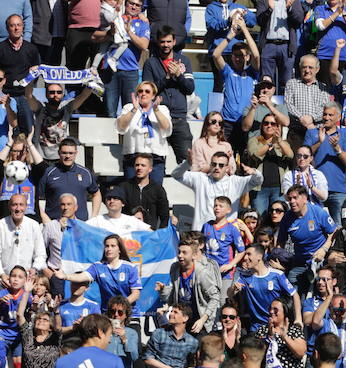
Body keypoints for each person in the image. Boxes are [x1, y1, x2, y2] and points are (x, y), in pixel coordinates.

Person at [142, 26, 195, 164]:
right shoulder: (150, 63)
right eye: (162, 42)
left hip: (179, 119)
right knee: (154, 163)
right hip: (156, 119)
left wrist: (178, 75)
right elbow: (147, 91)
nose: (166, 45)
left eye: (168, 41)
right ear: (158, 42)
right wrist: (166, 78)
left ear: (174, 41)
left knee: (187, 163)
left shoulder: (184, 61)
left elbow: (190, 88)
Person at [171, 151, 262, 230]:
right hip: (202, 232)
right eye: (214, 164)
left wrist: (254, 172)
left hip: (226, 235)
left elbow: (258, 181)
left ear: (227, 168)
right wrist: (187, 163)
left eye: (221, 165)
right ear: (210, 165)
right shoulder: (201, 178)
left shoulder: (235, 181)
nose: (217, 167)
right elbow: (176, 175)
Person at [157, 237, 223, 335]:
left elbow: (215, 297)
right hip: (182, 321)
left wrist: (203, 319)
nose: (180, 255)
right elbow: (175, 294)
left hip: (199, 321)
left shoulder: (202, 272)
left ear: (194, 255)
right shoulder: (175, 268)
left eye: (184, 252)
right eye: (179, 252)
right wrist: (163, 291)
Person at [58, 234, 141, 311]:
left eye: (113, 246)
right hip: (108, 313)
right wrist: (65, 276)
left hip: (130, 313)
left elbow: (136, 294)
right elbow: (82, 277)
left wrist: (120, 307)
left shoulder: (130, 268)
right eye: (107, 246)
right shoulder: (98, 267)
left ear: (119, 249)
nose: (109, 249)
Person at [303, 102, 346, 224]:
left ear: (338, 117)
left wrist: (337, 148)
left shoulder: (345, 134)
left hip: (337, 189)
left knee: (339, 226)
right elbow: (303, 157)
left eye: (330, 115)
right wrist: (320, 142)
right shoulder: (312, 132)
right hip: (315, 188)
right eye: (325, 114)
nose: (326, 118)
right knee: (313, 225)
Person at [37, 138, 101, 221]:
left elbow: (96, 194)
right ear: (59, 153)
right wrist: (46, 220)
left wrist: (94, 217)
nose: (67, 156)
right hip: (55, 224)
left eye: (71, 153)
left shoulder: (85, 172)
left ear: (76, 153)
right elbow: (35, 197)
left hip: (80, 225)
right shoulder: (49, 172)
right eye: (64, 153)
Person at [246, 114, 293, 215]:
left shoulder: (282, 143)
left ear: (277, 127)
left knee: (279, 220)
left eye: (273, 124)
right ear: (262, 126)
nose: (269, 126)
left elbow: (290, 155)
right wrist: (269, 143)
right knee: (260, 219)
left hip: (278, 189)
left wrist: (279, 140)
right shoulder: (255, 140)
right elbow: (255, 155)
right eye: (266, 123)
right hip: (259, 188)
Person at [142, 302, 199, 368]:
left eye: (175, 312)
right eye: (171, 311)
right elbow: (147, 358)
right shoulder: (159, 334)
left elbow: (192, 365)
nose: (170, 314)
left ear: (185, 318)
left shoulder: (192, 342)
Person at [255, 296, 308, 368]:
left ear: (285, 311)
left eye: (275, 309)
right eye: (270, 308)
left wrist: (285, 336)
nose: (271, 311)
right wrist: (269, 337)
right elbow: (256, 354)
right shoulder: (262, 330)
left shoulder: (294, 330)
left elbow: (301, 352)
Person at [0, 193, 45, 277]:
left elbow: (41, 254)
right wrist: (1, 274)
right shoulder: (1, 225)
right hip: (5, 279)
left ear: (26, 207)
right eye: (14, 205)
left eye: (21, 205)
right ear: (9, 207)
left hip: (26, 279)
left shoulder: (33, 225)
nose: (18, 209)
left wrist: (35, 269)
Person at [86, 186, 151, 236]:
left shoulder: (132, 220)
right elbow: (80, 230)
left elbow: (153, 234)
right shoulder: (97, 221)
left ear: (123, 203)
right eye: (109, 199)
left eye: (115, 198)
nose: (111, 201)